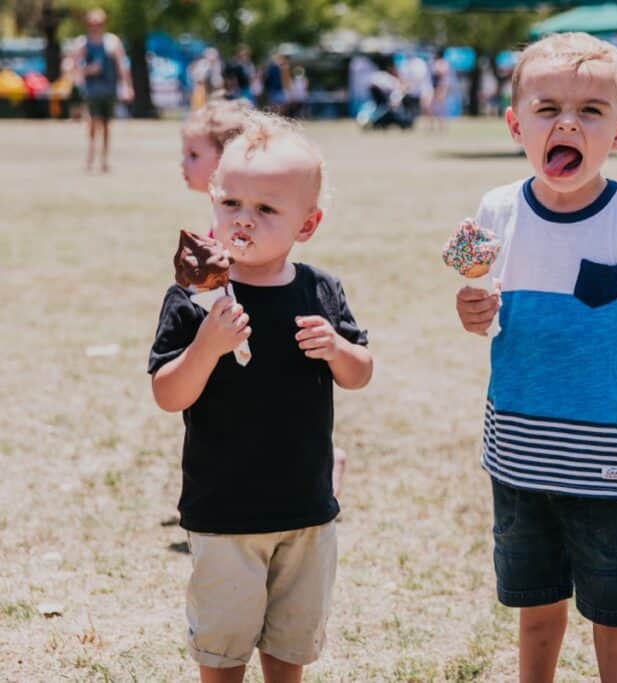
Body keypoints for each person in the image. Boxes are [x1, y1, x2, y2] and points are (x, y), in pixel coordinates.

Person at [454, 32, 617, 682]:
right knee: (535, 603)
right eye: (547, 106)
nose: (567, 122)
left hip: (613, 462)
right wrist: (472, 311)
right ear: (515, 124)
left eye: (591, 110)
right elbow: (487, 306)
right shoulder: (495, 212)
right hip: (520, 456)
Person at [149, 113, 373, 682]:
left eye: (267, 210)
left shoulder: (320, 290)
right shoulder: (195, 298)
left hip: (305, 511)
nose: (242, 221)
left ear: (308, 222)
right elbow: (168, 393)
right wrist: (206, 345)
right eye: (230, 204)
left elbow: (360, 372)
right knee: (222, 652)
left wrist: (337, 350)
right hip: (225, 511)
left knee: (289, 648)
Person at [70, 8, 132, 172]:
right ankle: (90, 158)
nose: (95, 26)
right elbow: (73, 67)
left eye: (99, 23)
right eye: (92, 23)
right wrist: (88, 70)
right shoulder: (82, 43)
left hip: (109, 88)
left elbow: (122, 66)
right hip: (91, 90)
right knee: (92, 123)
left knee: (106, 125)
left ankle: (104, 160)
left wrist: (126, 86)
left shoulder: (112, 42)